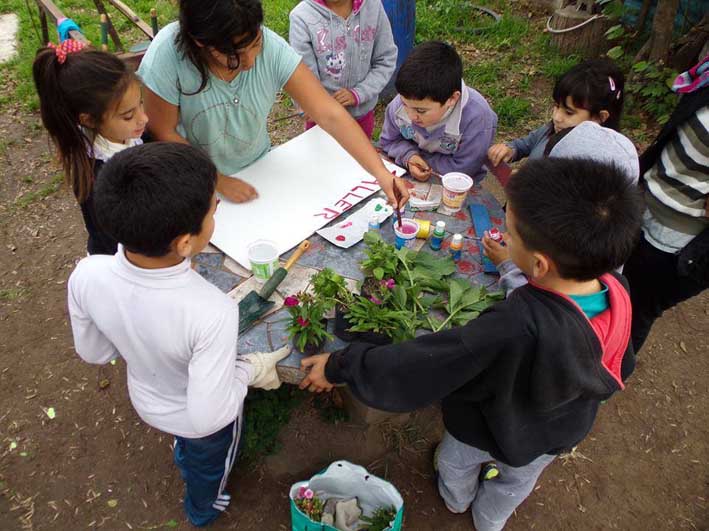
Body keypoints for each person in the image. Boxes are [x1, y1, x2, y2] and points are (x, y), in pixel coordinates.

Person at [299, 158, 643, 531]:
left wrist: (341, 365)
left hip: (488, 426)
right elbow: (620, 364)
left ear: (540, 265)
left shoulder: (514, 325)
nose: (504, 237)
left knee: (456, 463)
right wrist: (514, 266)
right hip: (555, 434)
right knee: (515, 482)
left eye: (510, 234)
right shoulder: (617, 290)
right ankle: (489, 521)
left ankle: (455, 499)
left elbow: (426, 364)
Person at [67, 142, 291, 527]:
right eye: (214, 208)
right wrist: (249, 370)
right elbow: (208, 418)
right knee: (208, 466)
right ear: (185, 243)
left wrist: (136, 336)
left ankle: (184, 457)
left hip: (146, 398)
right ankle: (203, 508)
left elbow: (94, 352)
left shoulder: (87, 274)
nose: (217, 210)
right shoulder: (211, 312)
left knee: (189, 448)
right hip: (195, 424)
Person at [137, 0, 407, 206]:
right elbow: (163, 131)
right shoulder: (167, 54)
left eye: (255, 44)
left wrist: (381, 174)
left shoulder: (272, 48)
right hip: (191, 179)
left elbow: (329, 113)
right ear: (200, 42)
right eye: (234, 55)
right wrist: (216, 179)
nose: (250, 61)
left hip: (259, 169)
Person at [622, 57, 709, 353]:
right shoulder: (705, 74)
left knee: (637, 308)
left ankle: (603, 380)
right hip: (648, 200)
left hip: (676, 241)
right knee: (615, 287)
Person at [33, 42, 148, 255]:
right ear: (90, 120)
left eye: (141, 103)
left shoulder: (130, 134)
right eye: (128, 116)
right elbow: (117, 245)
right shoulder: (97, 178)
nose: (144, 118)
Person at [378, 41, 497, 182]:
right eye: (405, 104)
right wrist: (409, 157)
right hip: (408, 172)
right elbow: (389, 141)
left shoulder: (478, 119)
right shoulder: (403, 103)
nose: (410, 116)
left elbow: (464, 168)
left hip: (457, 186)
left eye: (421, 111)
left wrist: (422, 162)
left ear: (452, 99)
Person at [488, 58, 625, 169]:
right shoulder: (552, 130)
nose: (557, 117)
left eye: (569, 112)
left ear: (600, 117)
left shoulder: (596, 165)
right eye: (556, 106)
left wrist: (528, 187)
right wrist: (510, 150)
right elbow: (526, 144)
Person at [289, 0, 397, 139]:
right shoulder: (302, 16)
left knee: (357, 161)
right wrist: (309, 103)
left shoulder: (373, 6)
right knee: (321, 160)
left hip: (361, 117)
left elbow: (385, 59)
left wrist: (359, 93)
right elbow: (302, 75)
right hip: (322, 121)